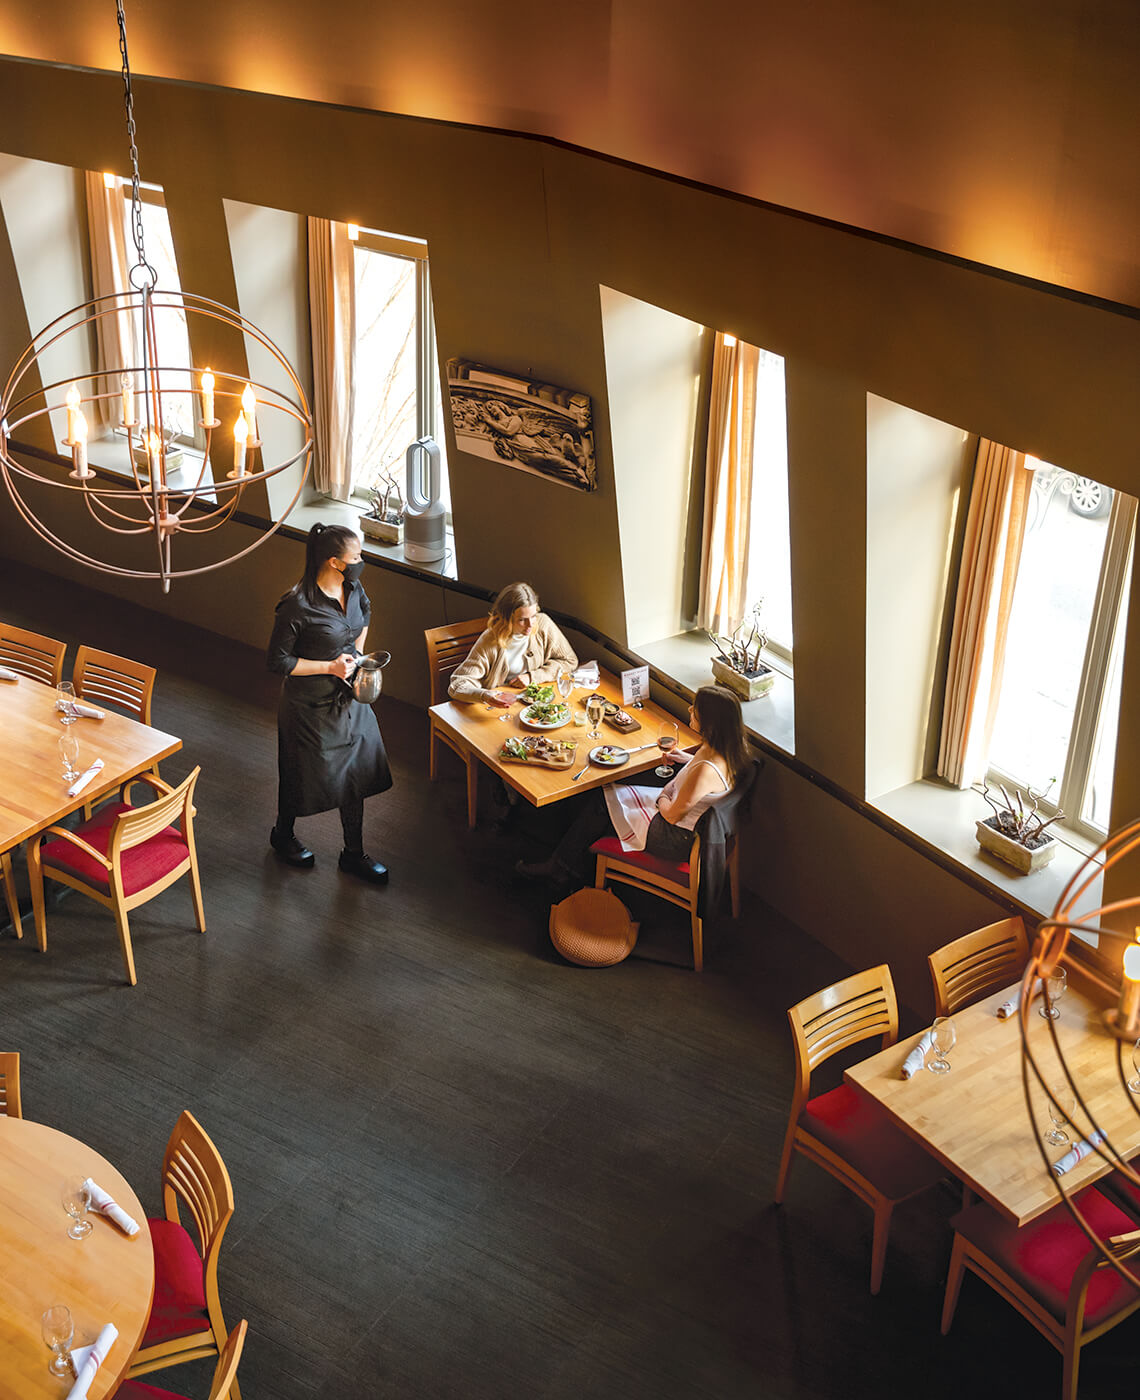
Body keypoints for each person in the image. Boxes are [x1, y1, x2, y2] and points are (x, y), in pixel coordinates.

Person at [516, 685, 749, 886]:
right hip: (687, 824)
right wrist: (685, 760)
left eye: (694, 708)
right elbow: (707, 777)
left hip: (675, 837)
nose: (689, 710)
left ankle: (560, 867)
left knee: (601, 802)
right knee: (611, 795)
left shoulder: (705, 770)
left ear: (709, 720)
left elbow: (672, 815)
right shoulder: (730, 750)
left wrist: (663, 797)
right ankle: (574, 865)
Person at [266, 523, 391, 882]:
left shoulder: (353, 586)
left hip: (349, 698)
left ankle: (353, 853)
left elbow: (365, 612)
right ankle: (283, 835)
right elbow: (278, 662)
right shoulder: (297, 606)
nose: (361, 562)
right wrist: (331, 666)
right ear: (335, 561)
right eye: (356, 558)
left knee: (356, 772)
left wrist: (357, 654)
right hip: (308, 706)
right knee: (299, 772)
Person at [448, 581, 578, 706]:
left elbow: (569, 661)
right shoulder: (490, 641)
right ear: (506, 619)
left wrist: (532, 677)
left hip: (532, 702)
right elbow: (457, 685)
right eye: (522, 620)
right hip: (499, 707)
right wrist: (485, 695)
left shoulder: (543, 623)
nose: (530, 625)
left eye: (533, 616)